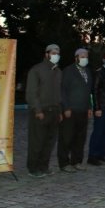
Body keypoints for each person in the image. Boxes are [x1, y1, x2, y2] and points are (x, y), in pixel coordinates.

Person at [25, 44, 63, 178]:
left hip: (54, 111)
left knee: (49, 141)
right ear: (46, 54)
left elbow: (59, 93)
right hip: (41, 111)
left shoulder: (58, 72)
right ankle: (33, 167)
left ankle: (43, 166)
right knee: (37, 141)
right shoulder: (37, 70)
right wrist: (37, 109)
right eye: (53, 53)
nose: (56, 55)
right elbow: (31, 92)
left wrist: (60, 111)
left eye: (57, 53)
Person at [59, 48, 95, 173]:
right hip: (71, 110)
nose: (85, 58)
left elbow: (89, 92)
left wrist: (90, 107)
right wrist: (66, 107)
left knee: (80, 138)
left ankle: (77, 161)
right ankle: (64, 163)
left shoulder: (88, 71)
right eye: (82, 56)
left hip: (83, 109)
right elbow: (62, 91)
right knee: (66, 137)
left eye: (86, 56)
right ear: (76, 58)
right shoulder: (68, 71)